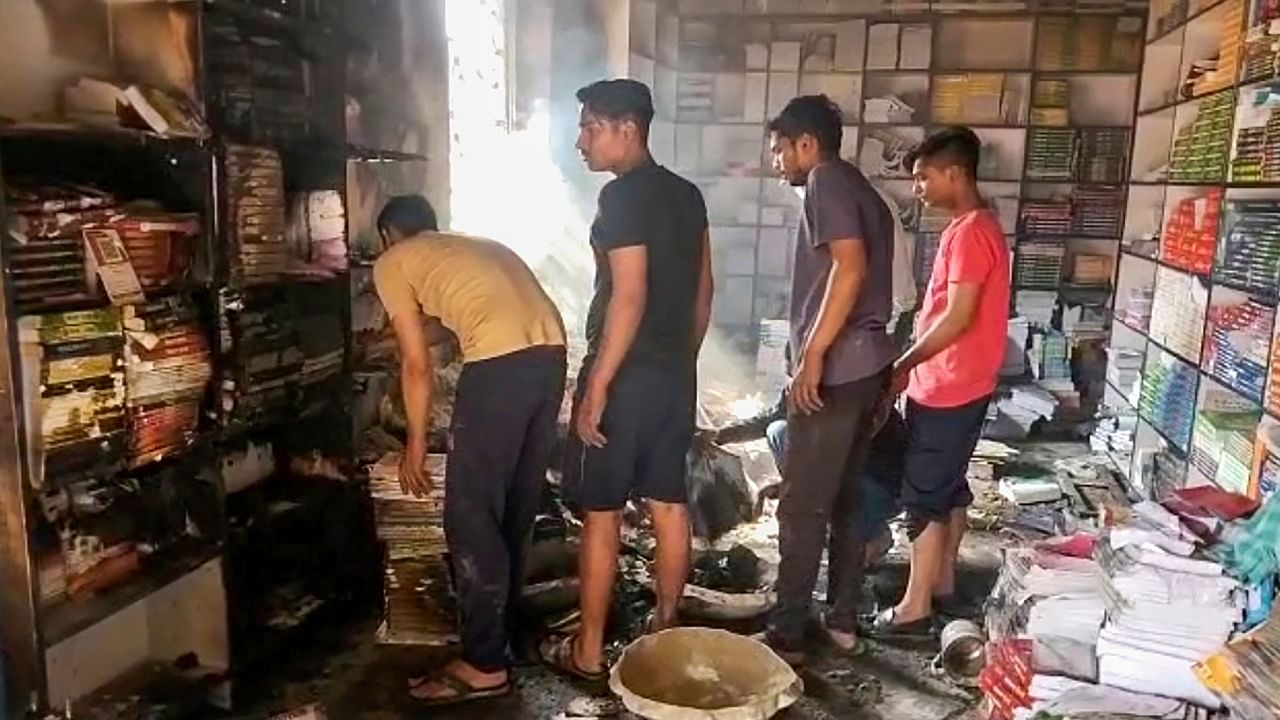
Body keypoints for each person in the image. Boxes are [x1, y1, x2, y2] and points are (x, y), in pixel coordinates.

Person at [540, 78, 713, 682]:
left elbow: (629, 295)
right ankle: (663, 629)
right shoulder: (688, 195)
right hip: (672, 376)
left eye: (590, 125)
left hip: (627, 375)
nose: (581, 139)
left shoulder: (622, 200)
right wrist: (678, 360)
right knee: (669, 501)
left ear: (627, 130)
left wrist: (599, 384)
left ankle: (587, 651)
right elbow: (703, 290)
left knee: (603, 510)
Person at [371, 195, 568, 705]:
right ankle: (502, 642)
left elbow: (417, 366)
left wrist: (415, 445)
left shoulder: (392, 262)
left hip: (500, 364)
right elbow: (451, 323)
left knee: (469, 513)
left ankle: (482, 664)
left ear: (390, 235)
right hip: (549, 357)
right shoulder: (466, 248)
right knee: (513, 509)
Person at [762, 94, 896, 665]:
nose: (776, 163)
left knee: (800, 505)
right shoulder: (866, 190)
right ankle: (841, 621)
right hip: (868, 366)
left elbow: (850, 265)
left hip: (838, 369)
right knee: (844, 500)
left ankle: (787, 634)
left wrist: (813, 354)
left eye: (779, 150)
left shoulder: (825, 182)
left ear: (806, 144)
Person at [866, 127, 1010, 636]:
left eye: (923, 177)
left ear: (955, 173)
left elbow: (958, 317)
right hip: (954, 383)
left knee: (922, 496)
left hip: (950, 386)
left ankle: (915, 606)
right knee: (946, 488)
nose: (918, 188)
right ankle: (943, 581)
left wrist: (903, 363)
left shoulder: (972, 232)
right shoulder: (973, 226)